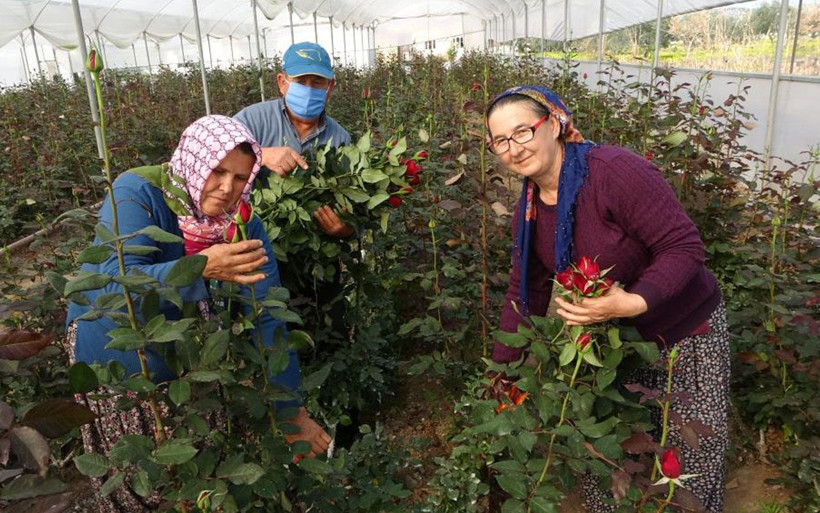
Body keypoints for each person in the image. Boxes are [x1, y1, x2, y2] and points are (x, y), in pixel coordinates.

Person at [65, 115, 331, 512]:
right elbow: (109, 286)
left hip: (190, 358)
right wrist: (200, 268)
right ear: (194, 160)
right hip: (116, 353)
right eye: (218, 171)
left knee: (198, 471)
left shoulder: (243, 224)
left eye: (241, 178)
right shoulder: (137, 193)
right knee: (141, 478)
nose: (228, 189)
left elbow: (268, 314)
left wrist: (291, 410)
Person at [486, 86, 729, 513]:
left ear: (556, 123)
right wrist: (502, 370)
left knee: (685, 457)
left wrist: (634, 301)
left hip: (684, 334)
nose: (514, 148)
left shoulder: (612, 172)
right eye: (501, 140)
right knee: (608, 457)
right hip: (613, 345)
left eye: (523, 131)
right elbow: (526, 289)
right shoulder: (529, 205)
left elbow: (684, 247)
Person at [234, 41, 353, 240]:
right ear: (282, 82)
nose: (308, 89)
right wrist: (260, 154)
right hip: (252, 240)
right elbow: (210, 161)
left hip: (311, 250)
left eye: (317, 82)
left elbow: (352, 205)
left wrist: (345, 230)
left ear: (330, 86)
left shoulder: (340, 139)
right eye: (300, 81)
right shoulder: (251, 120)